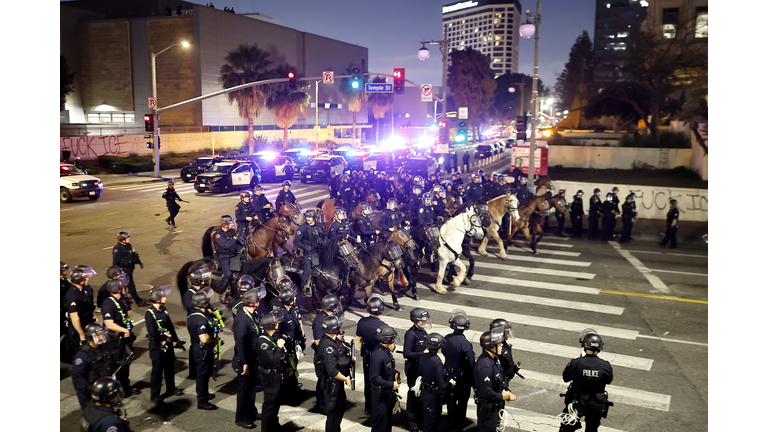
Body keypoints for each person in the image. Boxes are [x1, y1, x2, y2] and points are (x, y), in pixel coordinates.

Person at [558, 334, 613, 432]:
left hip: (576, 403)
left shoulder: (575, 363)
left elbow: (566, 378)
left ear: (584, 346)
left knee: (566, 428)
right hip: (596, 403)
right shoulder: (606, 365)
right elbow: (608, 380)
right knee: (592, 429)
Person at [233, 287, 266, 429]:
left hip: (252, 358)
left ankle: (251, 412)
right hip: (245, 360)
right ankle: (241, 418)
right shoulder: (242, 320)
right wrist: (244, 362)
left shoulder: (251, 315)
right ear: (254, 303)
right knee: (244, 390)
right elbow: (240, 343)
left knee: (251, 388)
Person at [145, 286, 184, 405]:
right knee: (157, 371)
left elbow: (170, 326)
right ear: (157, 299)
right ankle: (155, 395)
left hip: (167, 344)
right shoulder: (149, 313)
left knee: (170, 367)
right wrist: (165, 338)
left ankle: (171, 389)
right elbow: (152, 332)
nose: (165, 298)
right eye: (163, 296)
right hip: (157, 346)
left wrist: (175, 339)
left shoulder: (163, 309)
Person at [101, 279, 139, 398]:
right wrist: (124, 330)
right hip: (115, 342)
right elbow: (109, 324)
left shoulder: (121, 300)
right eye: (123, 287)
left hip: (123, 339)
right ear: (118, 289)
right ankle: (117, 392)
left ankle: (126, 387)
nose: (124, 289)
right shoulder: (108, 303)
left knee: (125, 364)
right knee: (116, 367)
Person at [474, 329, 516, 432]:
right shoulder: (485, 366)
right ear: (492, 346)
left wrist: (505, 390)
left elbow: (499, 377)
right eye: (499, 343)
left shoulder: (494, 358)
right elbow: (486, 392)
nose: (502, 345)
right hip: (487, 410)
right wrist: (502, 396)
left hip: (495, 406)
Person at [317, 315, 353, 432]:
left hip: (337, 384)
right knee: (334, 416)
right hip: (332, 386)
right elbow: (332, 371)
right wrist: (346, 379)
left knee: (339, 410)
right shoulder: (328, 347)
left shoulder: (331, 340)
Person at [186, 289, 220, 410]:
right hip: (202, 350)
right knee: (202, 375)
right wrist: (214, 340)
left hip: (197, 347)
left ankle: (204, 394)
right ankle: (202, 401)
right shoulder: (201, 320)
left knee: (203, 374)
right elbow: (204, 339)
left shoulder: (192, 314)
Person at [442, 310, 475, 432]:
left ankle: (451, 427)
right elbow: (471, 363)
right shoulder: (466, 344)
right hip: (462, 378)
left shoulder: (446, 338)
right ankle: (459, 428)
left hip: (448, 374)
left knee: (450, 403)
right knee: (462, 404)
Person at [71, 323, 117, 410]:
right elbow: (77, 378)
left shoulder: (102, 347)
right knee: (93, 414)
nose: (101, 337)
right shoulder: (82, 355)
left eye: (101, 334)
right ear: (90, 337)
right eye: (98, 335)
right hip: (90, 392)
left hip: (102, 388)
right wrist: (93, 388)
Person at [256, 311, 286, 432]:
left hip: (276, 376)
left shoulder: (273, 336)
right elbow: (273, 361)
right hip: (269, 378)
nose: (278, 324)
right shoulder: (262, 343)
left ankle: (274, 426)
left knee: (275, 403)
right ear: (271, 326)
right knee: (270, 405)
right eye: (276, 323)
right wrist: (279, 347)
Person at [274, 285, 306, 398]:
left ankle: (293, 386)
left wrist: (302, 339)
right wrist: (281, 347)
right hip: (286, 345)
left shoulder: (295, 309)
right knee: (287, 368)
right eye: (293, 297)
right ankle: (286, 391)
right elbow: (276, 333)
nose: (295, 298)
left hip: (295, 343)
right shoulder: (280, 314)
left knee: (294, 365)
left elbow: (298, 324)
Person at [356, 296, 386, 415]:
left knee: (368, 383)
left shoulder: (361, 322)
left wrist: (363, 350)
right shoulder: (383, 326)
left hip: (367, 357)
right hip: (379, 358)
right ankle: (377, 409)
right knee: (379, 383)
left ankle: (368, 408)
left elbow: (358, 339)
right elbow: (391, 347)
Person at [311, 294, 341, 413]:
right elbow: (318, 342)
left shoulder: (330, 318)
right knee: (324, 380)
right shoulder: (320, 320)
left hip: (329, 353)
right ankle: (322, 405)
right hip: (323, 356)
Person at [420, 333, 454, 432]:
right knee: (432, 422)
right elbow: (443, 386)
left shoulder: (422, 357)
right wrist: (450, 383)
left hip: (425, 391)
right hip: (433, 396)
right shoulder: (437, 362)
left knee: (426, 418)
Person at [403, 307, 430, 432]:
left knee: (421, 395)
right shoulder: (411, 334)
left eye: (425, 320)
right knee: (414, 395)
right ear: (415, 320)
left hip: (422, 367)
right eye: (421, 320)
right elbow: (407, 354)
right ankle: (412, 423)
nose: (424, 322)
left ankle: (420, 420)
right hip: (413, 369)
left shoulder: (423, 332)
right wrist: (422, 353)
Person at [369, 324, 400, 432]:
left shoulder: (385, 350)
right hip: (380, 396)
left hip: (387, 394)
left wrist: (395, 373)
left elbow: (388, 367)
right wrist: (391, 385)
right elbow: (373, 378)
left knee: (387, 423)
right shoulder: (378, 356)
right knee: (380, 425)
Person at [64, 266, 98, 357]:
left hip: (86, 325)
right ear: (80, 280)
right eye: (86, 278)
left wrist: (93, 314)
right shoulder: (72, 295)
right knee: (81, 354)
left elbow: (87, 304)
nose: (88, 279)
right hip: (77, 330)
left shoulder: (82, 290)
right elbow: (74, 317)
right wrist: (81, 334)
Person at [294, 209, 327, 294]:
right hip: (308, 252)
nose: (308, 218)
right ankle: (304, 287)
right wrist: (306, 247)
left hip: (320, 250)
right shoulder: (302, 228)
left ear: (314, 218)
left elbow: (325, 235)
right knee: (307, 269)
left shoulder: (320, 225)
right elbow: (296, 241)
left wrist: (324, 241)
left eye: (310, 217)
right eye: (307, 217)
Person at [112, 231, 146, 306]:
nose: (129, 239)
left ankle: (124, 300)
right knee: (130, 285)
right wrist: (118, 273)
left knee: (124, 286)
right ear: (122, 240)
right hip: (124, 270)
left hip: (130, 268)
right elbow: (115, 263)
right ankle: (138, 301)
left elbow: (133, 254)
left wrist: (139, 262)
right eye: (127, 238)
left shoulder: (128, 245)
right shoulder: (118, 249)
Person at [212, 215, 241, 296]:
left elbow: (237, 241)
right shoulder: (218, 235)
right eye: (230, 223)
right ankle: (222, 291)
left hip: (234, 254)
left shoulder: (231, 231)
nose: (232, 224)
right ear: (225, 225)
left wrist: (242, 242)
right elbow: (226, 245)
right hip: (224, 257)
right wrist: (234, 238)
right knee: (227, 274)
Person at [490, 319, 522, 390]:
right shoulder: (494, 348)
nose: (509, 334)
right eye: (507, 331)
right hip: (499, 384)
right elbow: (494, 367)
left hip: (504, 381)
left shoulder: (503, 344)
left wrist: (512, 367)